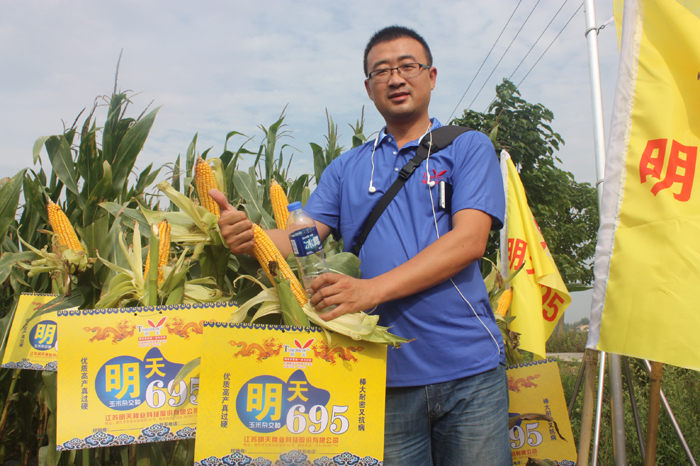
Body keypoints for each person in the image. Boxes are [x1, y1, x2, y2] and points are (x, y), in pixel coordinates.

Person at [211, 25, 511, 466]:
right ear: (369, 88)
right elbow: (301, 237)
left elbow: (469, 241)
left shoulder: (467, 147)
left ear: (431, 76)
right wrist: (248, 236)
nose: (396, 78)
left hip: (469, 372)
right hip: (379, 374)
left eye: (408, 66)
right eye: (381, 71)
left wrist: (370, 291)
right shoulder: (346, 168)